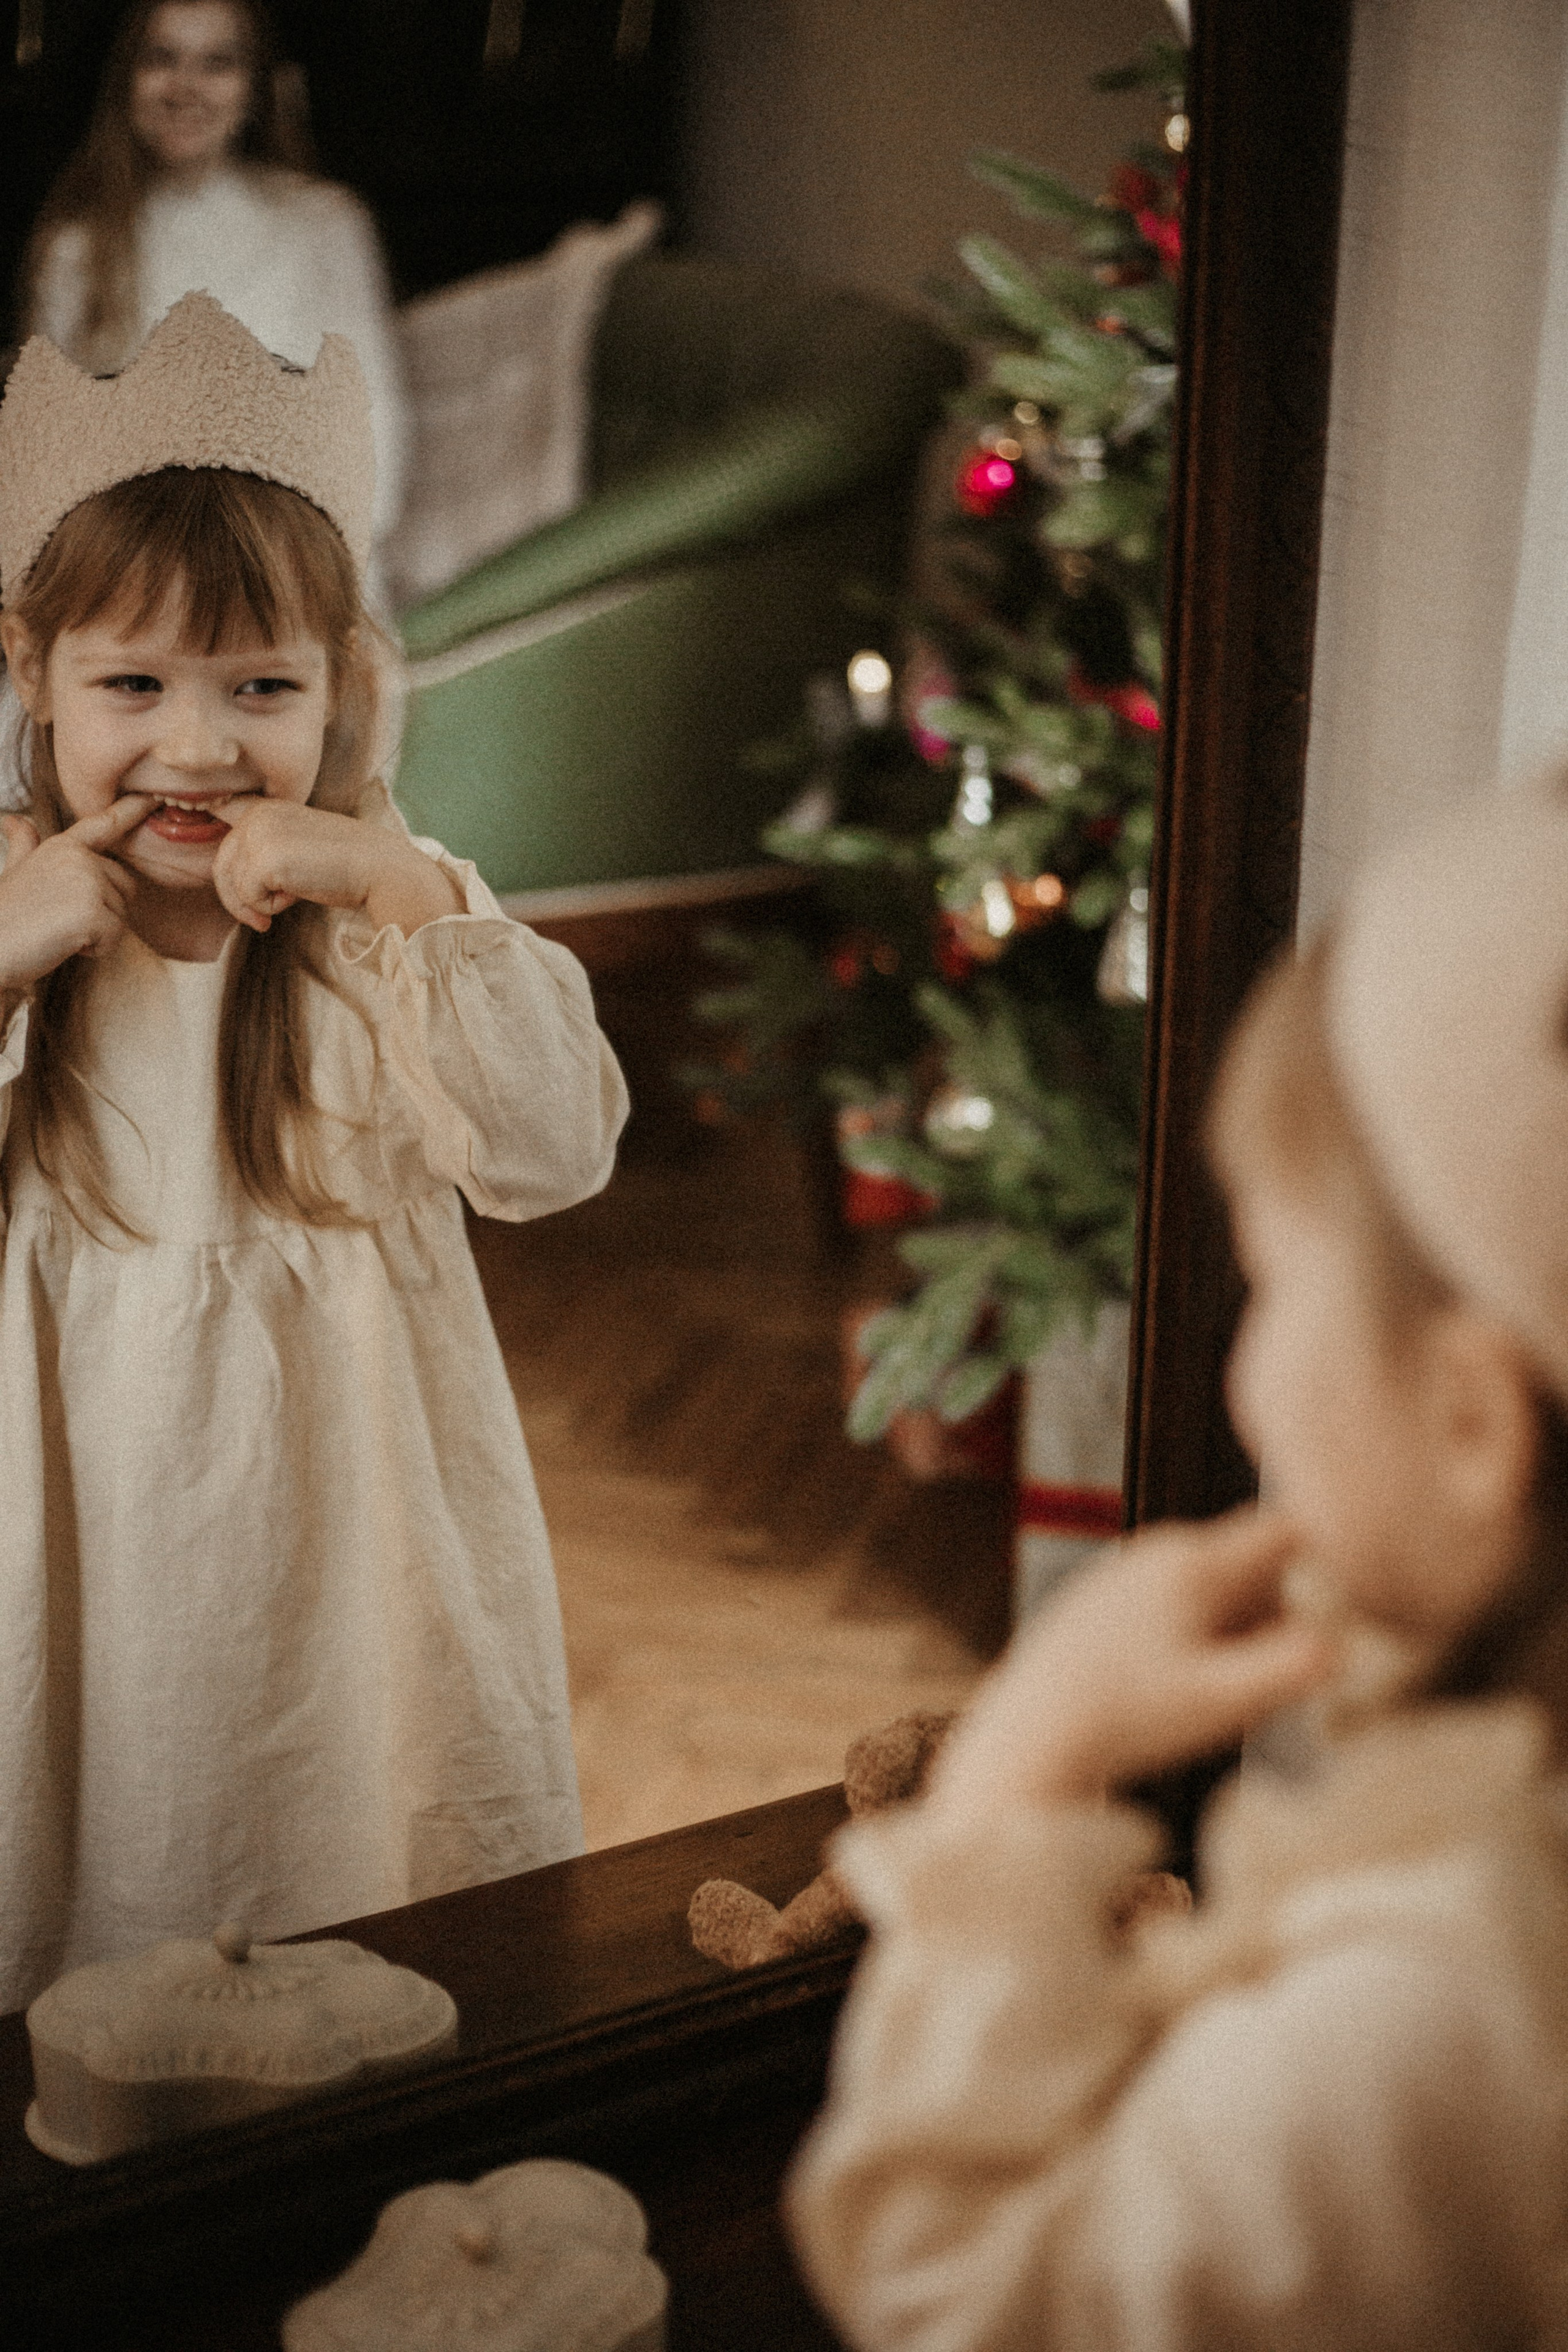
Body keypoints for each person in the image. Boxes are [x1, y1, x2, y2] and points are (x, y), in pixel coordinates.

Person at [787, 782, 1568, 2349]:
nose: (1241, 1357)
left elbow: (955, 2295)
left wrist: (1015, 1777)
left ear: (1468, 1421)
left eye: (1267, 1280)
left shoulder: (1402, 2026)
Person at [0, 291, 628, 2015]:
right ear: (29, 671)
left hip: (353, 1598)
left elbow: (552, 1153)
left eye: (260, 686)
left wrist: (402, 891)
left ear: (344, 680)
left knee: (365, 1919)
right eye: (133, 683)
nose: (200, 745)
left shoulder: (384, 933)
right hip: (65, 1577)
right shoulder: (13, 916)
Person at [21, 0, 407, 552]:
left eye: (217, 64)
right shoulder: (74, 251)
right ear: (125, 79)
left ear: (254, 89)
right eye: (161, 58)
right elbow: (49, 460)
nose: (186, 87)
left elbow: (374, 439)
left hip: (298, 562)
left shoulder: (323, 226)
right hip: (134, 569)